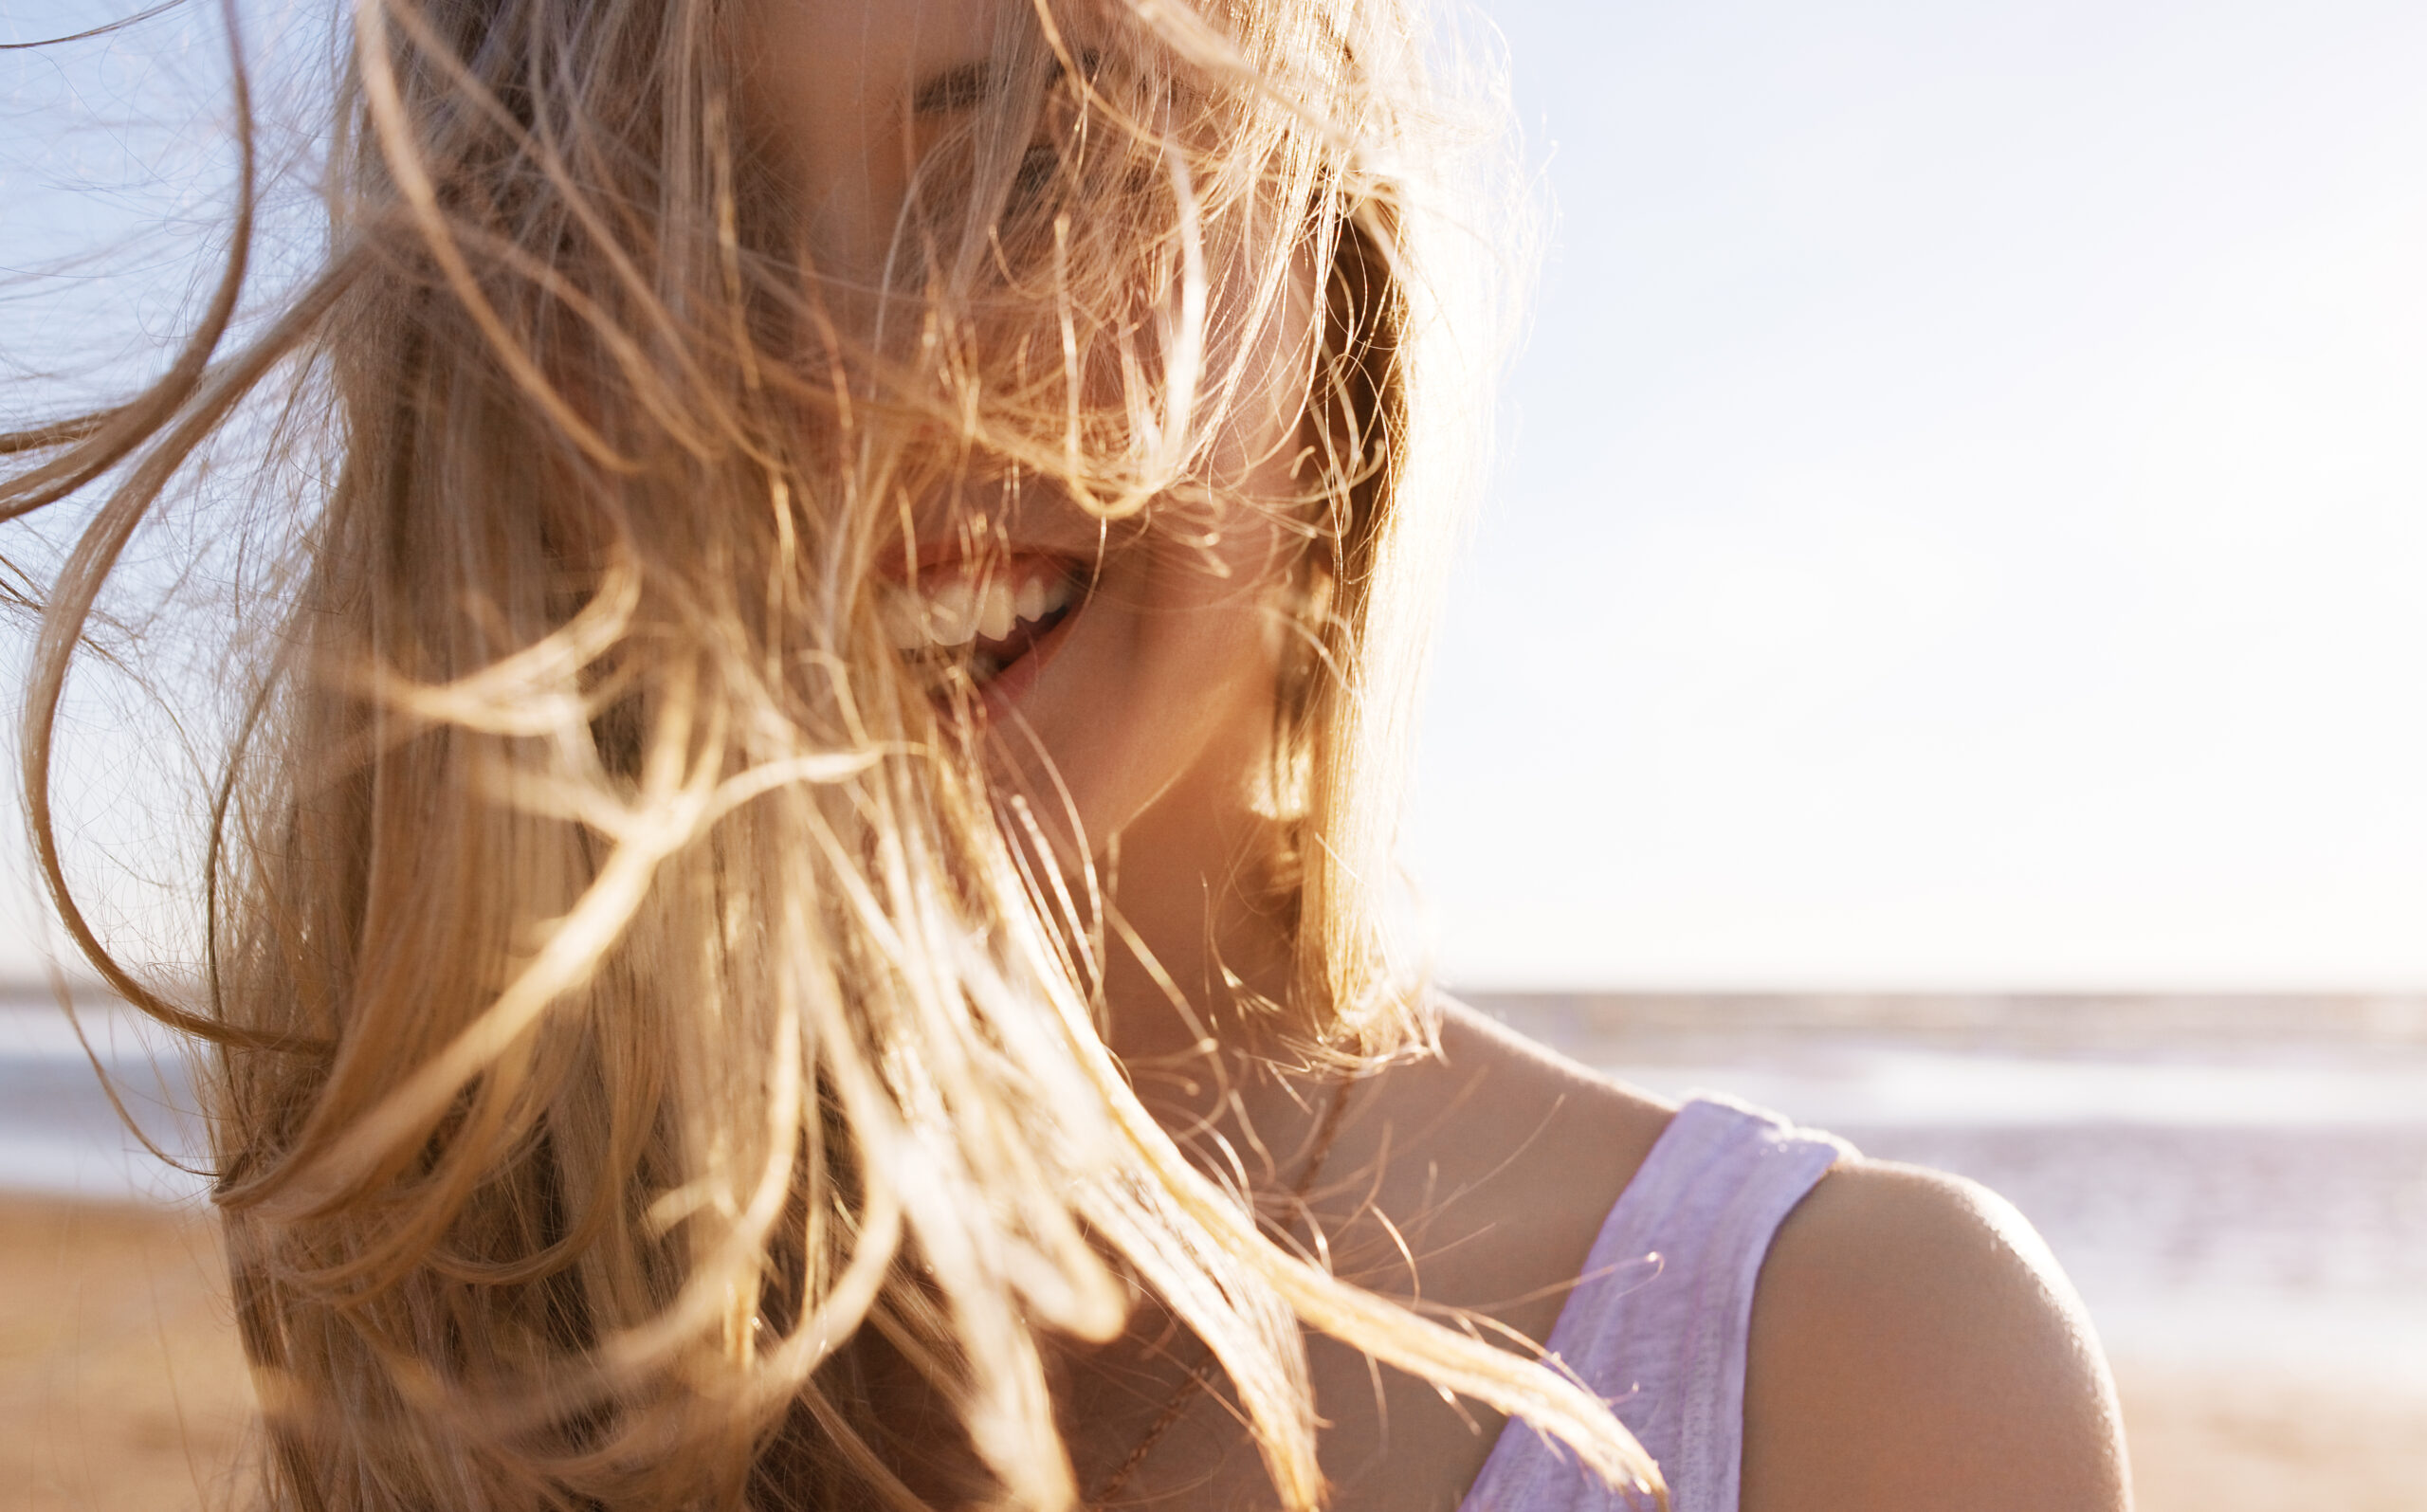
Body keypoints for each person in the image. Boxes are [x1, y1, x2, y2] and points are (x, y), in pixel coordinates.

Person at [3, 1, 2130, 1508]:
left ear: (1328, 259)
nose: (866, 378)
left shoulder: (1847, 1377)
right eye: (694, 218)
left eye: (1042, 162)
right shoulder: (489, 1308)